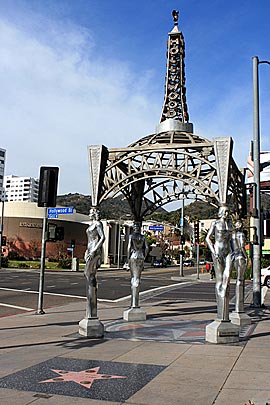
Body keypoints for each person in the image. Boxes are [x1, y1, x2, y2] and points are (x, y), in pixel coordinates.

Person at [206, 204, 233, 321]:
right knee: (220, 279)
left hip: (228, 252)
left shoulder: (230, 224)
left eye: (228, 212)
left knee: (227, 280)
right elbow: (207, 238)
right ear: (221, 212)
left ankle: (224, 305)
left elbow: (231, 240)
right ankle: (221, 311)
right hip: (218, 251)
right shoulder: (215, 223)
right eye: (225, 212)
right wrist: (213, 252)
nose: (227, 214)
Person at [84, 207, 105, 318]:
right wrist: (87, 251)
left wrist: (94, 250)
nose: (89, 213)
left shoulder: (98, 224)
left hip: (94, 250)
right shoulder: (91, 224)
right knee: (87, 274)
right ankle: (90, 307)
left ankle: (92, 309)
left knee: (90, 274)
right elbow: (89, 240)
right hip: (89, 249)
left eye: (91, 212)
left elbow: (102, 238)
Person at [127, 222, 148, 308]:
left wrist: (127, 259)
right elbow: (146, 248)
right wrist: (144, 257)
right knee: (137, 277)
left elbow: (129, 247)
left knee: (134, 278)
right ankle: (134, 302)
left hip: (133, 255)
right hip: (140, 256)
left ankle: (134, 304)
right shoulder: (143, 237)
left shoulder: (131, 236)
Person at [231, 218, 248, 313]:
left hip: (234, 257)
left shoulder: (232, 236)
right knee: (240, 280)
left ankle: (238, 306)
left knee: (238, 279)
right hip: (241, 257)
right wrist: (247, 257)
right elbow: (242, 247)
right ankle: (239, 307)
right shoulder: (241, 235)